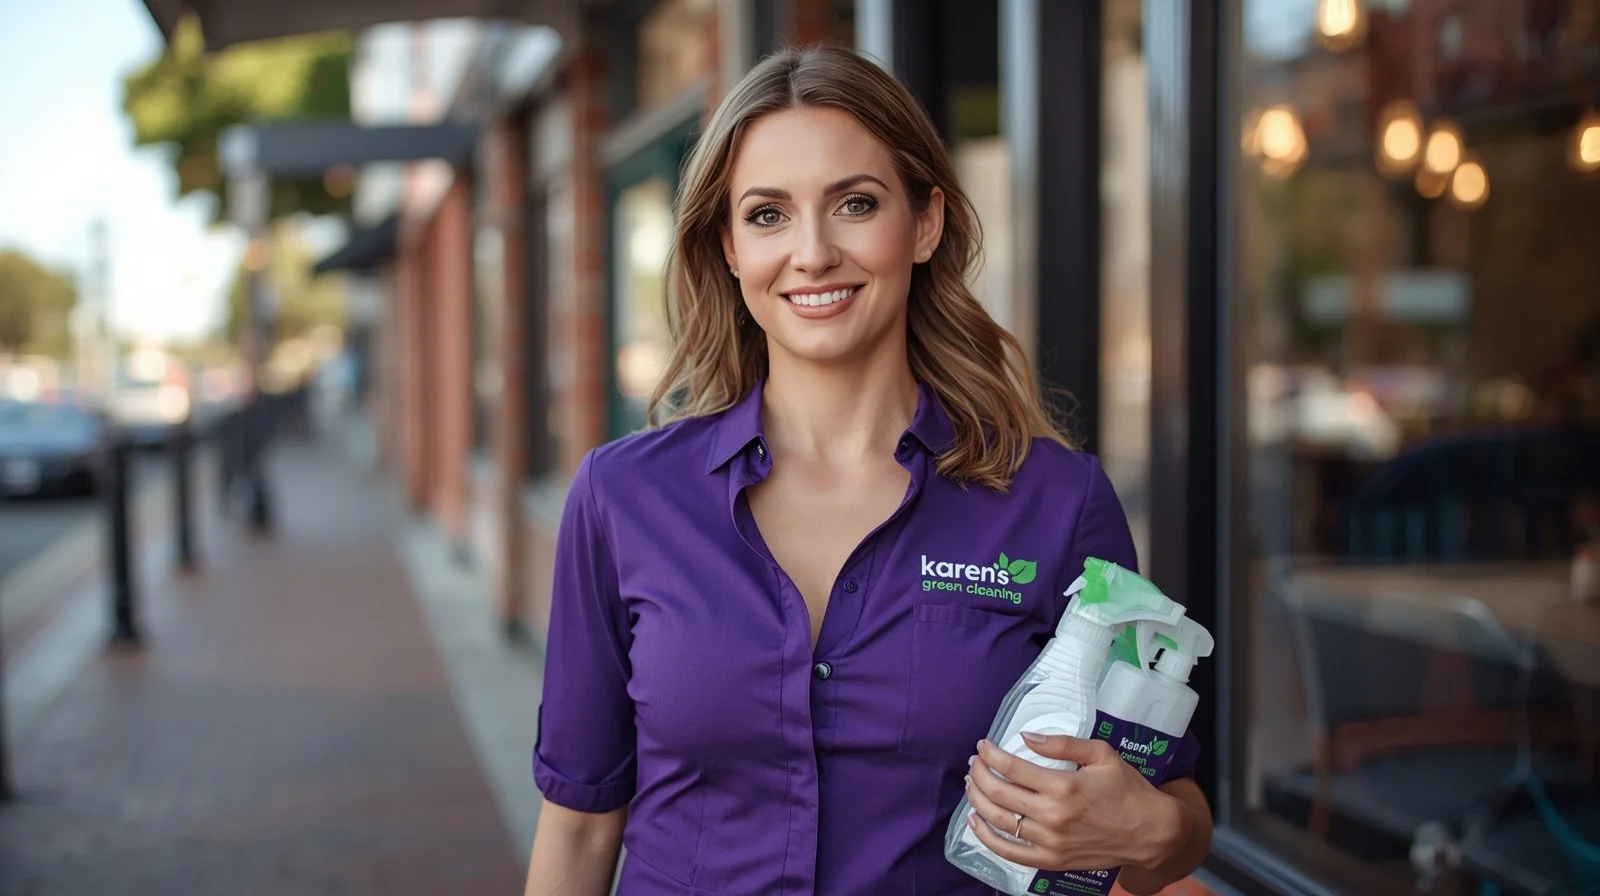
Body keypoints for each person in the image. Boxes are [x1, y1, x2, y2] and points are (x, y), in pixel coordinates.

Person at [525, 44, 1212, 896]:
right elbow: (580, 826)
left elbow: (1169, 813)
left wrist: (1152, 829)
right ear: (729, 248)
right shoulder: (622, 498)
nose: (812, 253)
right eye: (768, 215)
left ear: (924, 223)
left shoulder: (1054, 503)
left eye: (854, 204)